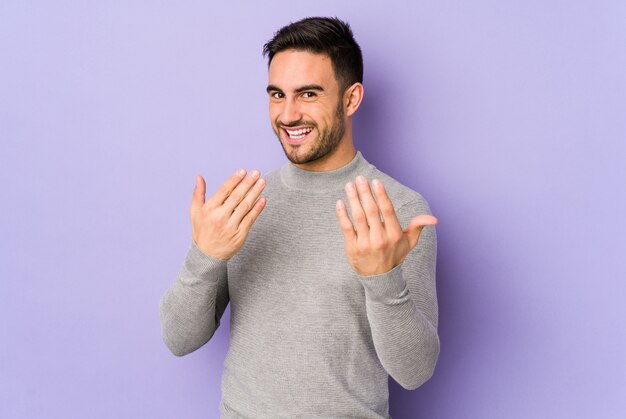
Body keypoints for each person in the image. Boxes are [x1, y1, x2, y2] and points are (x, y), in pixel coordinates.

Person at [159, 16, 439, 418]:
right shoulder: (242, 205)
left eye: (308, 94)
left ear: (351, 99)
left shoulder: (399, 210)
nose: (288, 115)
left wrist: (382, 281)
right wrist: (204, 257)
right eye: (277, 95)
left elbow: (415, 372)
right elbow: (178, 339)